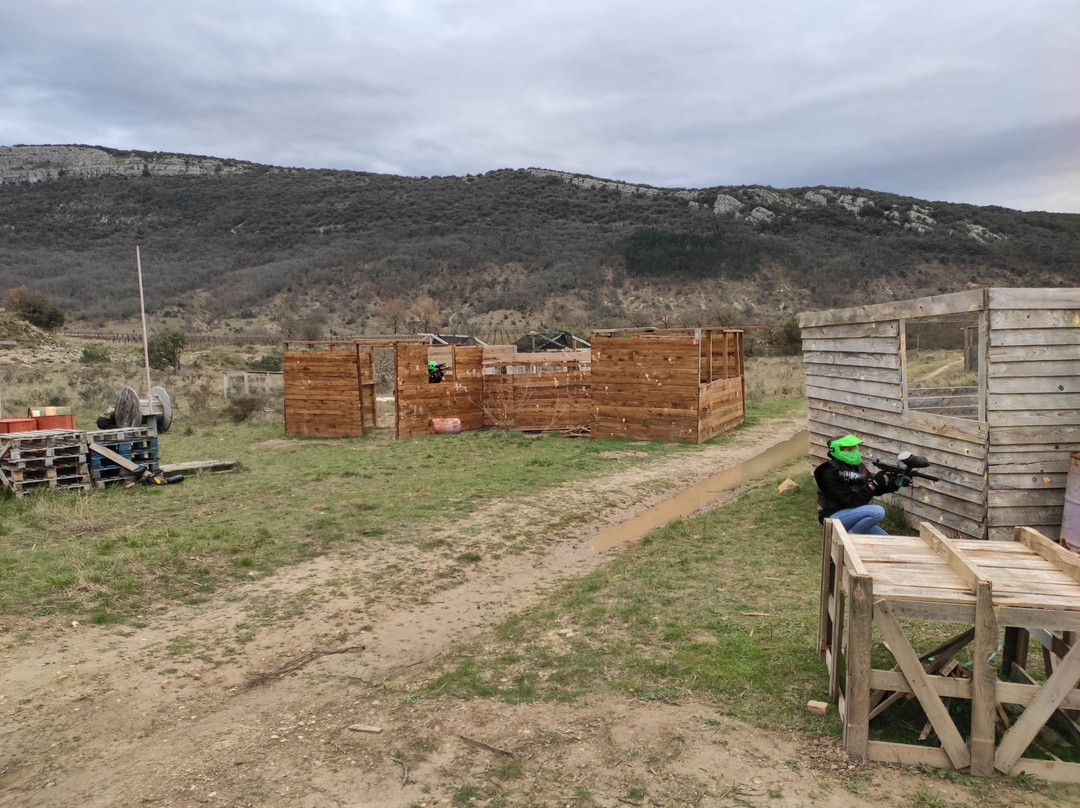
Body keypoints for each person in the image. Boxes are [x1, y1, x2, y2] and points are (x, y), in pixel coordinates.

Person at [814, 434, 906, 535]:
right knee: (877, 512)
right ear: (836, 450)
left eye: (854, 448)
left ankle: (852, 535)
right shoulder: (829, 472)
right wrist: (873, 484)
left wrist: (893, 484)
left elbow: (874, 489)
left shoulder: (858, 468)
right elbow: (853, 501)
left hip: (854, 513)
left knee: (888, 541)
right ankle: (848, 539)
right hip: (833, 516)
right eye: (849, 449)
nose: (854, 452)